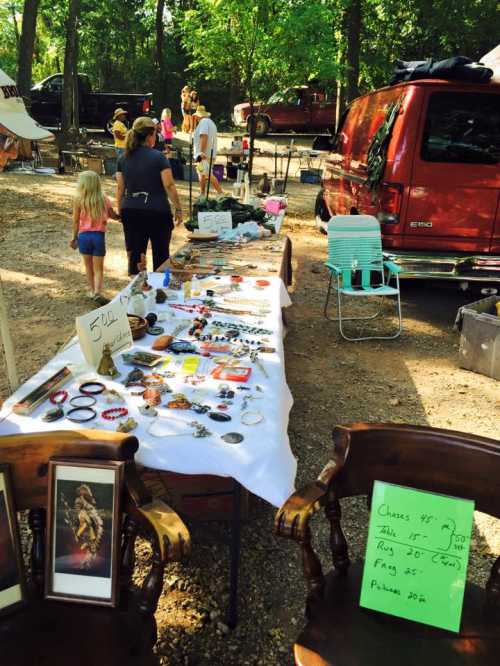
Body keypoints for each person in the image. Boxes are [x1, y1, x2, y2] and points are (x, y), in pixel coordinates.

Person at [116, 116, 183, 275]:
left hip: (131, 210)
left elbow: (120, 188)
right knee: (161, 256)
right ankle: (158, 291)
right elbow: (169, 184)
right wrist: (178, 208)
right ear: (149, 136)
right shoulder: (159, 157)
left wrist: (120, 211)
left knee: (135, 257)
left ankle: (136, 292)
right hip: (157, 211)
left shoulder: (122, 158)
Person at [70, 170, 119, 305]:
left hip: (83, 237)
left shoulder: (78, 199)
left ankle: (92, 291)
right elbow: (112, 214)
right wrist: (120, 217)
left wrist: (74, 237)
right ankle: (98, 291)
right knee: (98, 268)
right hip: (98, 237)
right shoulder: (103, 198)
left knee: (88, 266)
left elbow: (75, 221)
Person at [193, 105, 222, 195]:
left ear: (199, 116)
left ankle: (220, 193)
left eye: (196, 116)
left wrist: (201, 153)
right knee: (202, 173)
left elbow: (204, 136)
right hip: (208, 154)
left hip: (204, 154)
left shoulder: (203, 122)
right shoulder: (211, 122)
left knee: (208, 174)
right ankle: (202, 194)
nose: (196, 118)